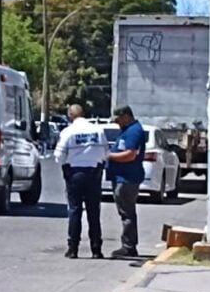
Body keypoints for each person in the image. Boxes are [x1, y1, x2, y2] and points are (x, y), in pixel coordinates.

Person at [54, 104, 109, 259]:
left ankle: (73, 249)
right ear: (83, 113)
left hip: (74, 174)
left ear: (70, 116)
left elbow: (59, 156)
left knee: (75, 211)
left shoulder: (68, 132)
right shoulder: (98, 130)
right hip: (94, 174)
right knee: (94, 212)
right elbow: (106, 153)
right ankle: (96, 249)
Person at [106, 105, 146, 258]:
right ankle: (128, 245)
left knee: (127, 213)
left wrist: (109, 156)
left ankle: (128, 246)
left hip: (127, 178)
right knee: (126, 213)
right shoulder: (128, 130)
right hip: (122, 177)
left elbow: (130, 155)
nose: (117, 123)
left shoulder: (134, 131)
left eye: (118, 120)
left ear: (126, 116)